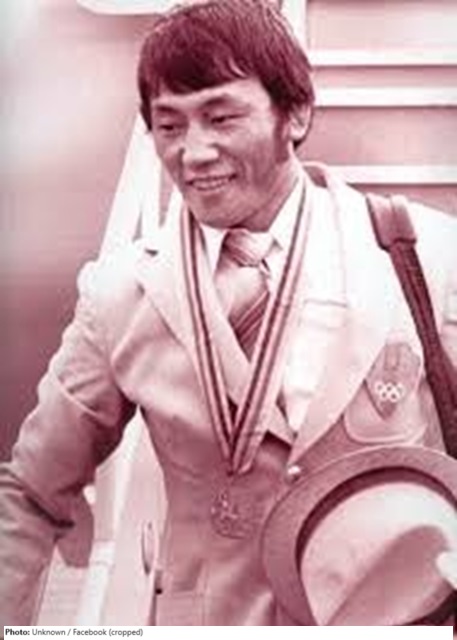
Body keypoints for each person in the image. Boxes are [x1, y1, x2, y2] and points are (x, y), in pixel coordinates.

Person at [1, 0, 457, 627]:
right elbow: (28, 492)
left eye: (221, 117)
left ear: (295, 114)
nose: (192, 153)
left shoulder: (425, 254)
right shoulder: (121, 293)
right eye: (169, 125)